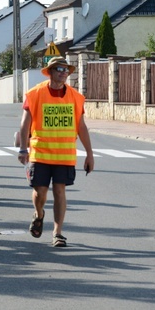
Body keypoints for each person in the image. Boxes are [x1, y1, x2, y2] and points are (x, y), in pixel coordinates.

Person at [17, 56, 95, 248]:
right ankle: (39, 213)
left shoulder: (76, 97)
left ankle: (57, 233)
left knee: (60, 191)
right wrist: (22, 148)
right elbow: (25, 122)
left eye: (65, 70)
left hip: (65, 154)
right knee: (40, 192)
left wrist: (89, 154)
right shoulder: (35, 94)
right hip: (40, 152)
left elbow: (81, 127)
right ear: (50, 72)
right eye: (59, 69)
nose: (63, 73)